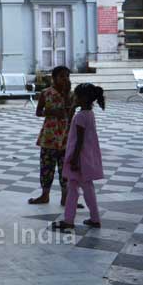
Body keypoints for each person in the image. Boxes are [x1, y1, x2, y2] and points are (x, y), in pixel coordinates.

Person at [52, 83, 105, 231]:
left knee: (73, 188)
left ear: (84, 98)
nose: (74, 97)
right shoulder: (88, 114)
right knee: (85, 187)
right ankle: (94, 218)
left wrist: (74, 159)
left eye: (76, 95)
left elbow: (79, 140)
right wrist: (73, 109)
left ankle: (69, 221)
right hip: (86, 156)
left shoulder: (81, 116)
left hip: (79, 158)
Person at [28, 65, 72, 205]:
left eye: (67, 76)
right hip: (49, 136)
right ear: (54, 78)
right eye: (61, 76)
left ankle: (66, 197)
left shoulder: (71, 94)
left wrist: (66, 95)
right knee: (47, 167)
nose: (65, 79)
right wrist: (51, 112)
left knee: (65, 168)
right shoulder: (46, 93)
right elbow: (38, 112)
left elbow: (71, 113)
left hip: (66, 136)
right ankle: (45, 195)